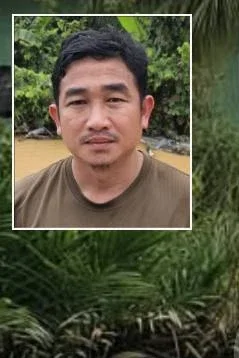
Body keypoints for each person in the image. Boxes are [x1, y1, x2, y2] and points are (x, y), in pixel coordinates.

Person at [13, 27, 190, 230]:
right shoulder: (20, 204)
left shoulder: (187, 201)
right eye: (78, 102)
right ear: (57, 118)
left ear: (144, 112)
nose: (97, 121)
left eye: (114, 99)